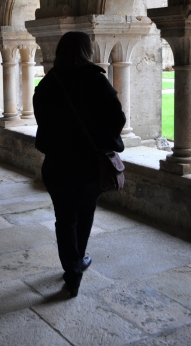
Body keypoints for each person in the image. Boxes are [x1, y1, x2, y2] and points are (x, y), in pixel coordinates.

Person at [33, 31, 126, 297]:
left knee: (64, 220)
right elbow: (117, 117)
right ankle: (78, 259)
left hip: (58, 164)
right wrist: (101, 139)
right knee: (84, 214)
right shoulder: (95, 80)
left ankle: (72, 271)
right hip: (89, 165)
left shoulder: (49, 83)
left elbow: (43, 121)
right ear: (87, 50)